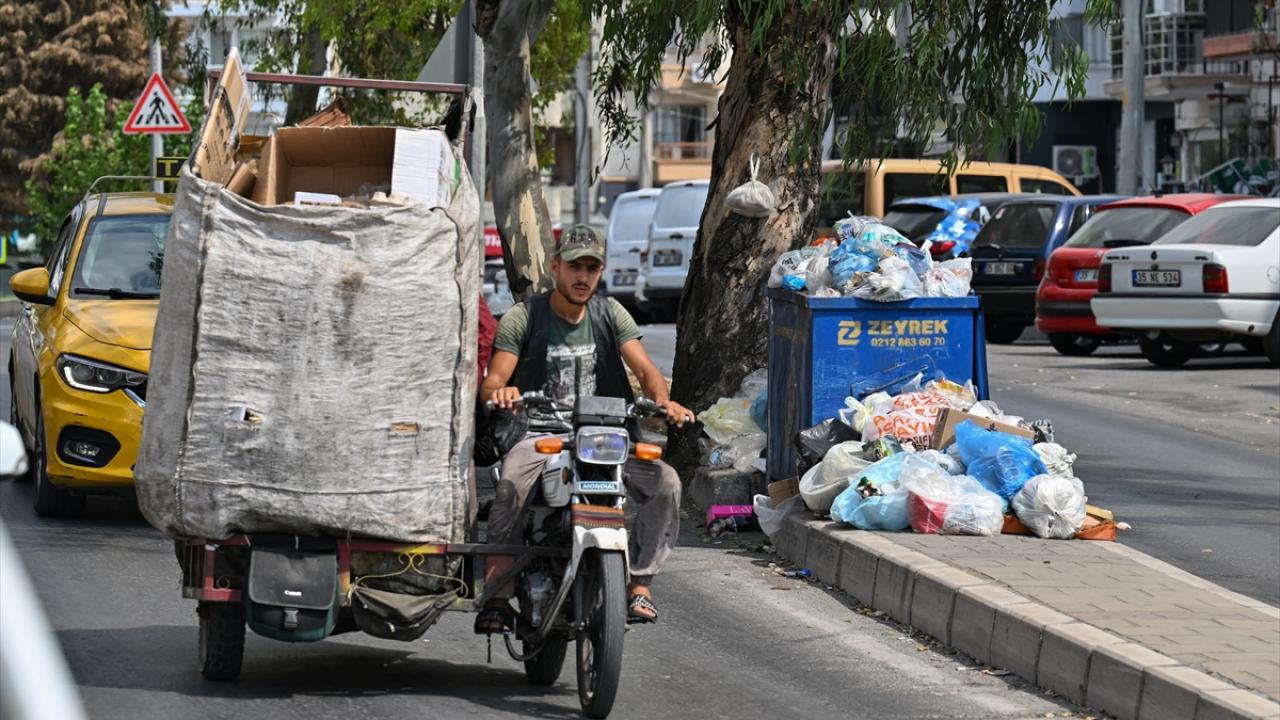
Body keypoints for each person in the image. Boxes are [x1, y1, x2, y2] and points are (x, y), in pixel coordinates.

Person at [476, 225, 694, 632]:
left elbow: (646, 371)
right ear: (555, 266)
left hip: (606, 435)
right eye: (575, 267)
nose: (583, 277)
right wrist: (502, 393)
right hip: (540, 435)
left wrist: (663, 401)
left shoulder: (611, 313)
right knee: (510, 486)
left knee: (666, 482)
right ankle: (498, 594)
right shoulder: (525, 317)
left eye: (592, 268)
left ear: (601, 272)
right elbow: (493, 382)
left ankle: (640, 585)